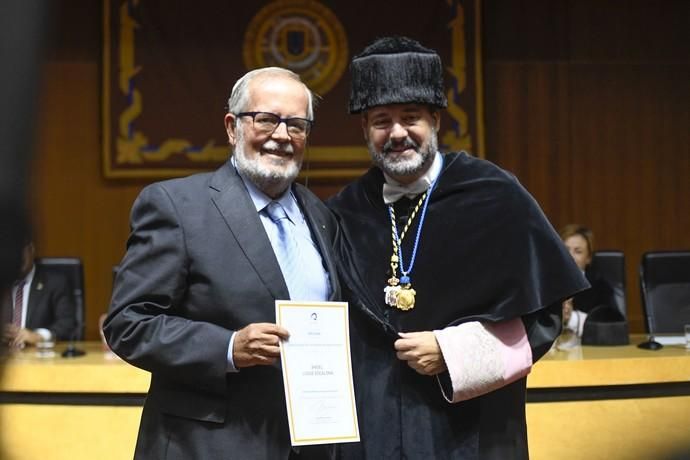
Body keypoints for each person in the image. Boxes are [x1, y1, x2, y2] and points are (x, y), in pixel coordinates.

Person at [327, 36, 588, 459]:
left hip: (473, 427)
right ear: (364, 128)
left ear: (435, 119)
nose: (397, 133)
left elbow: (542, 318)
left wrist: (452, 352)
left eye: (411, 117)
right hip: (373, 430)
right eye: (381, 120)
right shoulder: (346, 210)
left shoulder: (497, 195)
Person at [103, 67, 340, 460]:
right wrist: (228, 347)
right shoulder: (178, 206)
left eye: (296, 125)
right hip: (206, 444)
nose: (282, 136)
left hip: (308, 444)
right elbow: (128, 323)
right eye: (266, 119)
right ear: (232, 127)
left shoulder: (322, 216)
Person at [559, 224, 627, 344]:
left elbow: (614, 328)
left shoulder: (600, 287)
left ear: (588, 257)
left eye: (578, 251)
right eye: (565, 250)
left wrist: (572, 319)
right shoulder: (543, 286)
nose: (570, 256)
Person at [3, 238, 77, 348]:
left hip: (39, 357)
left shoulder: (55, 283)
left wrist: (38, 336)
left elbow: (67, 324)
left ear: (31, 249)